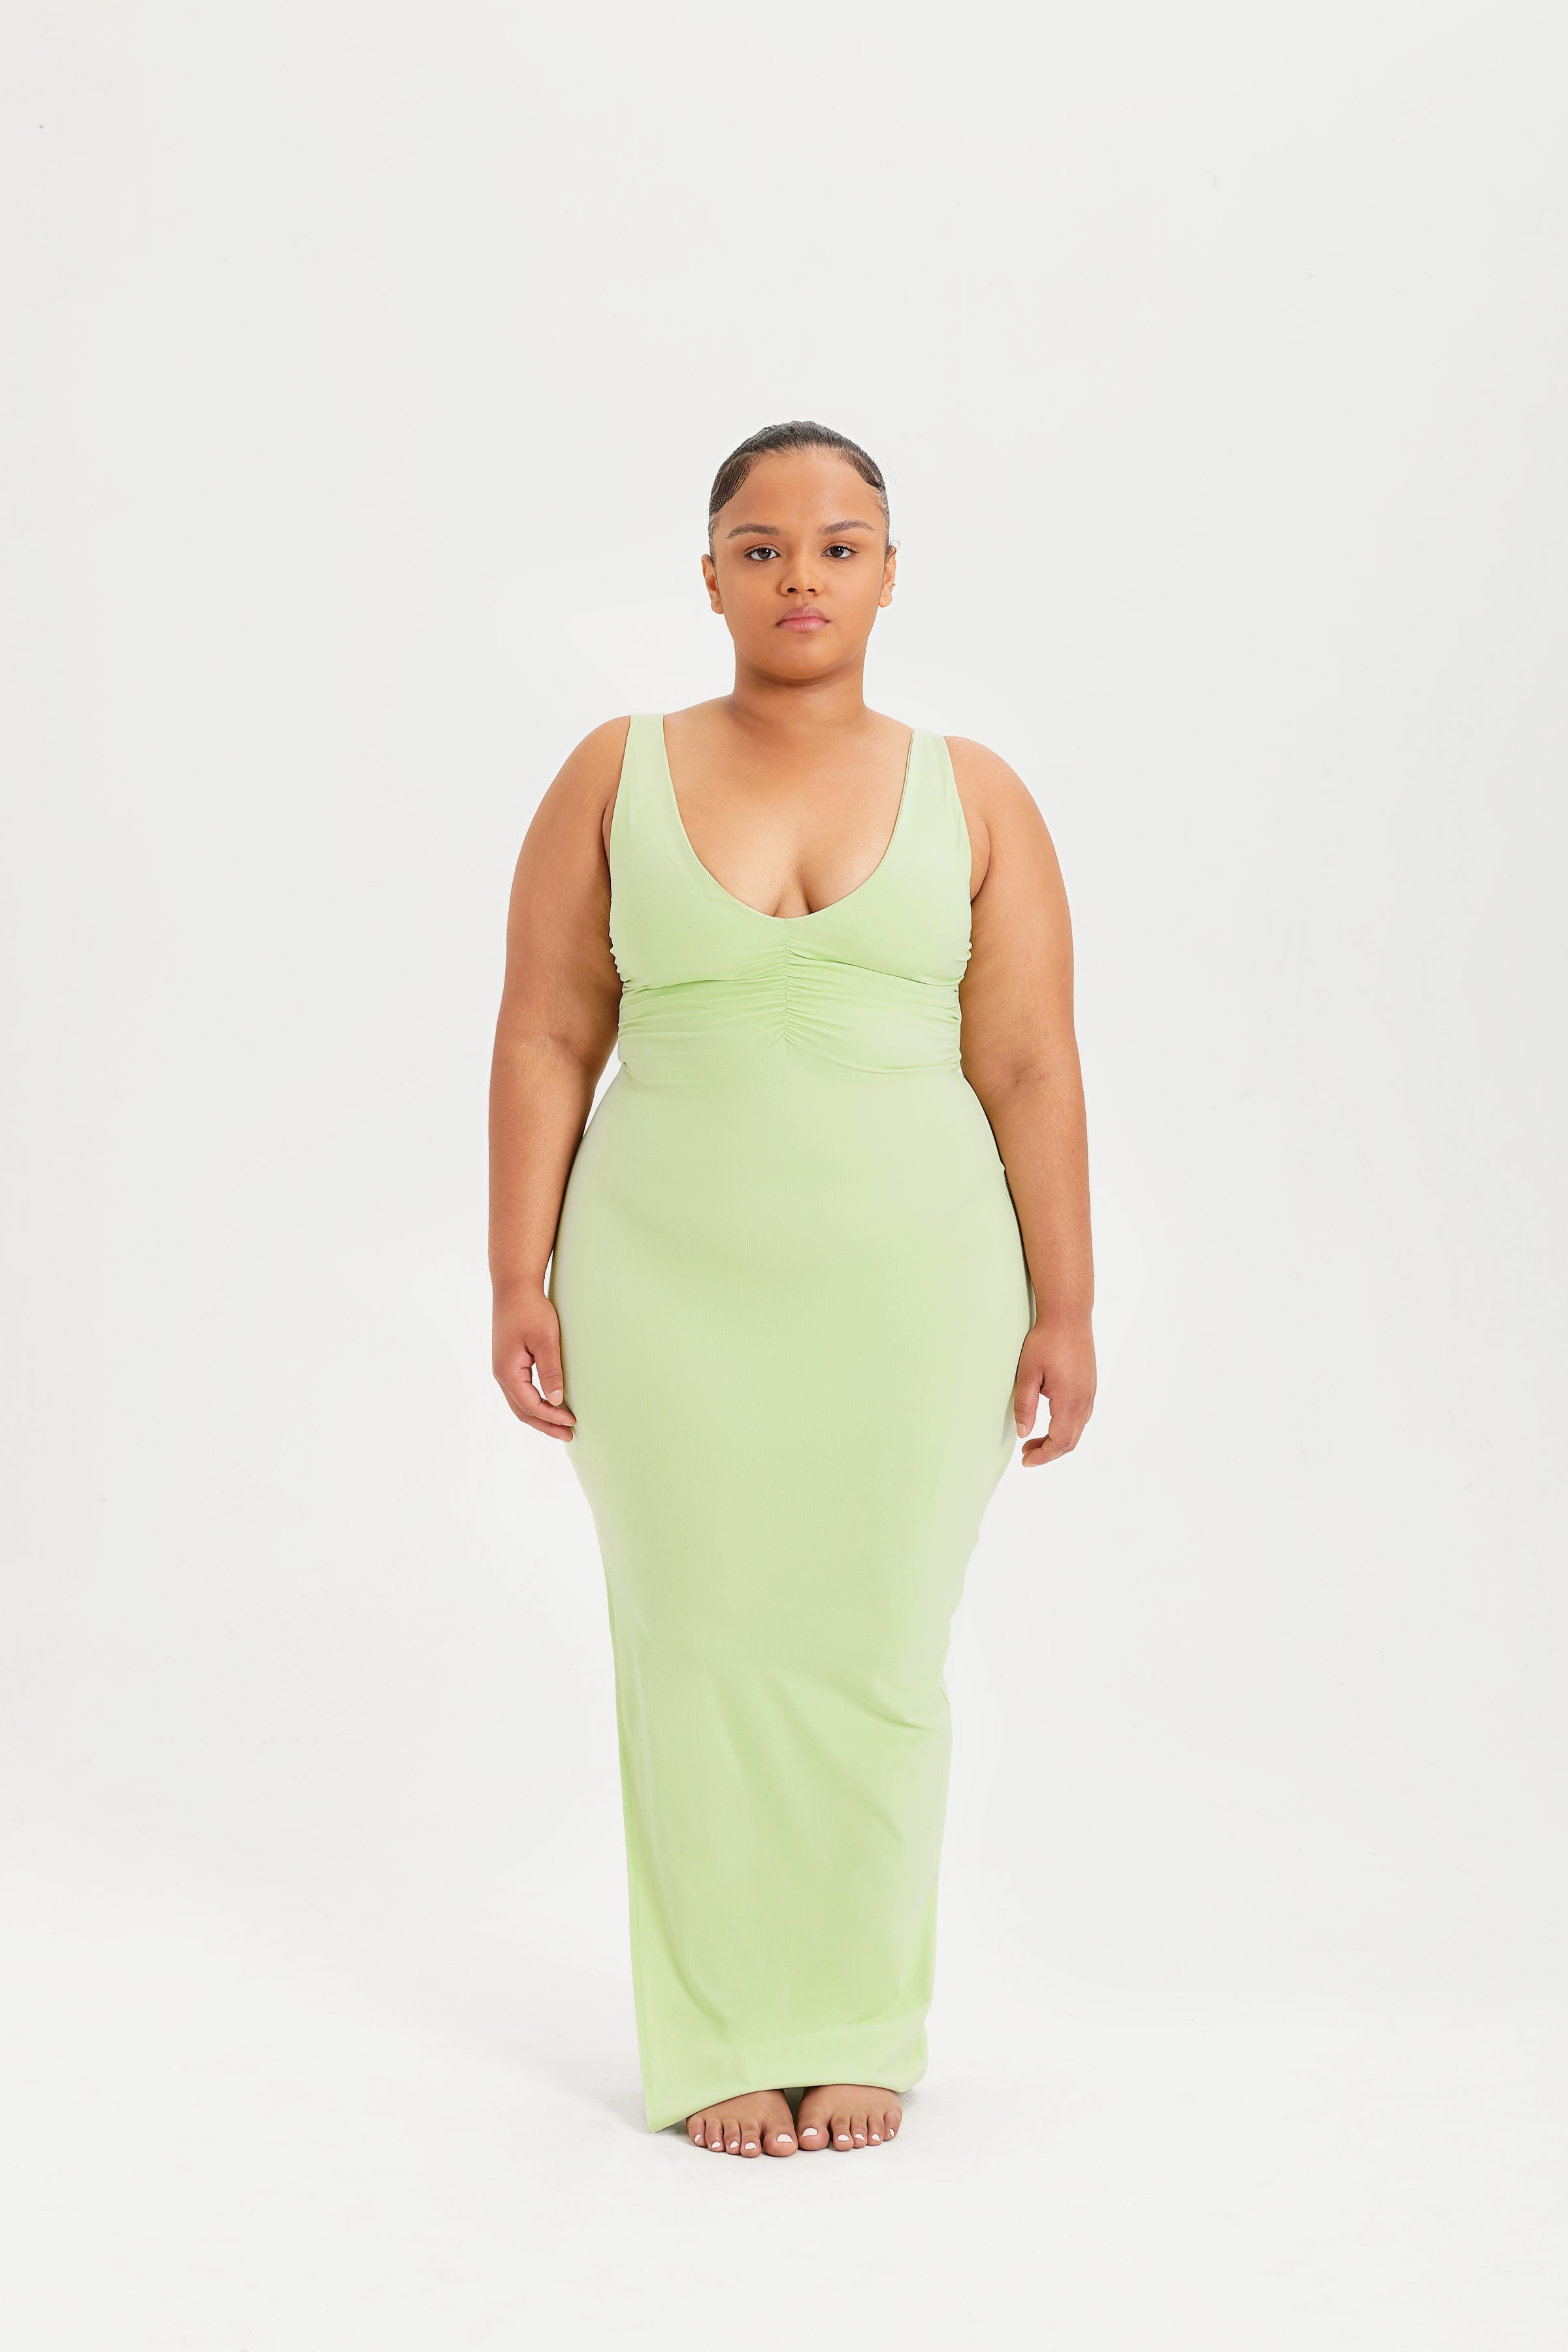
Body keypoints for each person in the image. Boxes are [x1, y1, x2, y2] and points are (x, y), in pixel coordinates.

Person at [489, 420, 1094, 2159]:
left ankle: (855, 2025)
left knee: (879, 1653)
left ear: (891, 574)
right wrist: (515, 1269)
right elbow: (545, 1033)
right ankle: (722, 2037)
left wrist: (1067, 1307)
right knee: (692, 1647)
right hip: (662, 1285)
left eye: (840, 545)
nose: (801, 576)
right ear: (710, 579)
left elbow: (1031, 1063)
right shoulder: (613, 772)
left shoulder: (977, 794)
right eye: (761, 548)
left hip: (918, 1292)